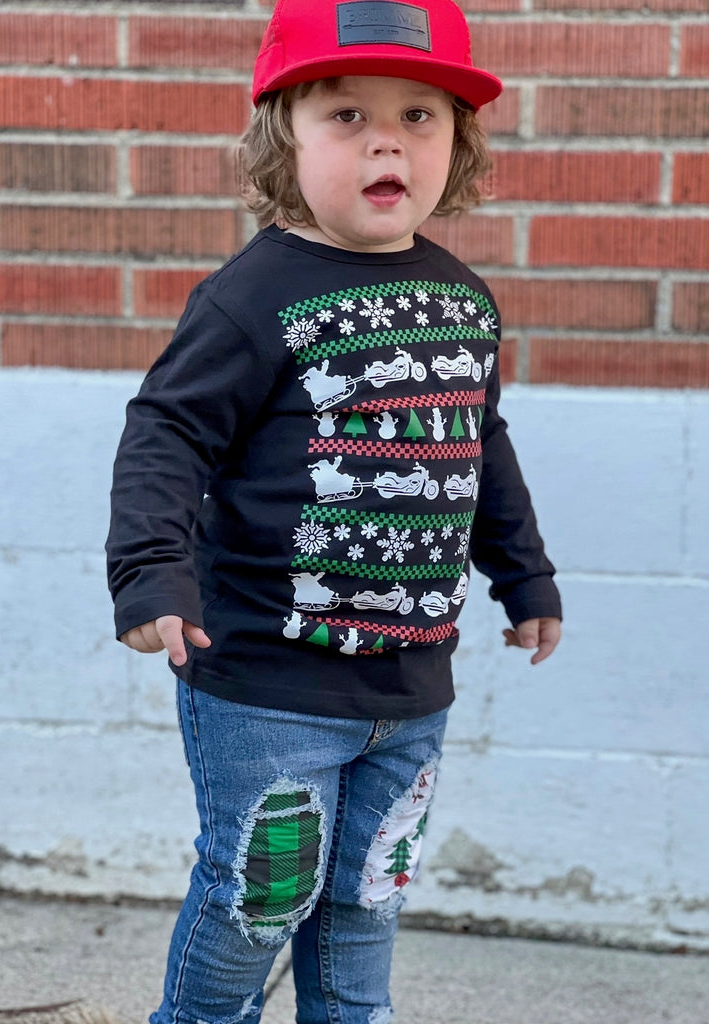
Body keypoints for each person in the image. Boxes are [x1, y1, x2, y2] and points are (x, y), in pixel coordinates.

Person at [106, 0, 562, 1020]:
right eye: (347, 115)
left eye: (419, 115)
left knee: (368, 896)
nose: (387, 139)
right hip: (268, 685)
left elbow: (479, 443)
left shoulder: (462, 300)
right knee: (258, 898)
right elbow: (166, 435)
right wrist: (150, 574)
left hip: (412, 685)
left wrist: (525, 577)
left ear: (457, 144)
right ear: (285, 139)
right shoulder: (251, 296)